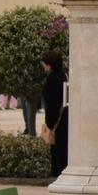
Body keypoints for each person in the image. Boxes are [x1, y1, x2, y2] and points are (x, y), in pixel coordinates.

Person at [39, 49, 68, 180]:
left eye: (45, 62)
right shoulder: (64, 76)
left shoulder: (51, 80)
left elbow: (52, 105)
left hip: (57, 122)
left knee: (58, 153)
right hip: (66, 119)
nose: (43, 65)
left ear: (49, 64)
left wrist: (50, 124)